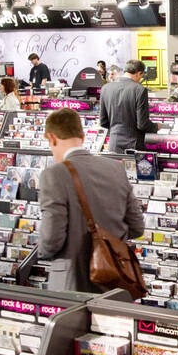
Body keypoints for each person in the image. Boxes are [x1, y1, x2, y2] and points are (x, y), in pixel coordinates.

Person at [36, 108, 144, 292]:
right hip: (114, 281)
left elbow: (51, 239)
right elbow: (136, 227)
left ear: (52, 138)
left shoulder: (54, 175)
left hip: (72, 284)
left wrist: (42, 252)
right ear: (83, 136)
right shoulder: (115, 168)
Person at [98, 60, 158, 154]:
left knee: (117, 169)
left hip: (114, 144)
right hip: (134, 146)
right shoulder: (140, 90)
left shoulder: (106, 88)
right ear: (139, 73)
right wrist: (156, 126)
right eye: (141, 76)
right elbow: (142, 124)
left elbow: (103, 122)